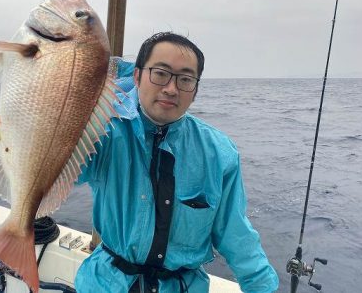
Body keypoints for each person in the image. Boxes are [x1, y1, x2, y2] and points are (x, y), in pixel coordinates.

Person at [74, 32, 279, 293]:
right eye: (160, 73)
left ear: (194, 91)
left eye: (185, 79)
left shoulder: (219, 152)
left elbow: (236, 235)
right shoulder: (105, 131)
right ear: (137, 76)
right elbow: (62, 171)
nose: (171, 88)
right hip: (105, 283)